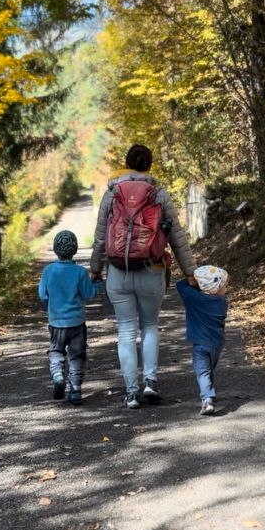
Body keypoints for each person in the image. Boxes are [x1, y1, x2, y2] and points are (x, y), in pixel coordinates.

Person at [90, 144, 197, 409]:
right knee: (149, 325)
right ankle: (150, 382)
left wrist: (95, 269)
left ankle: (131, 392)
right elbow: (177, 237)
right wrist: (190, 272)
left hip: (118, 272)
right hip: (152, 269)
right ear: (149, 165)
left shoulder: (112, 193)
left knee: (126, 330)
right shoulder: (158, 194)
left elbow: (101, 237)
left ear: (126, 164)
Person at [38, 230, 100, 405]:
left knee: (56, 351)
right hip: (77, 323)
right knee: (77, 355)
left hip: (56, 323)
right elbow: (88, 294)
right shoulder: (80, 272)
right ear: (75, 249)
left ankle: (58, 375)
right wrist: (96, 283)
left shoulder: (48, 271)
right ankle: (76, 389)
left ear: (55, 249)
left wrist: (51, 306)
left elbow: (42, 295)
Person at [177, 265, 229, 416]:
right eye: (224, 286)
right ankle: (209, 392)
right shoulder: (221, 303)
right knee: (209, 369)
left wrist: (192, 281)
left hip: (200, 344)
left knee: (203, 372)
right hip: (217, 344)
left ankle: (207, 399)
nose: (225, 289)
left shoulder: (193, 298)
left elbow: (180, 285)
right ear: (216, 288)